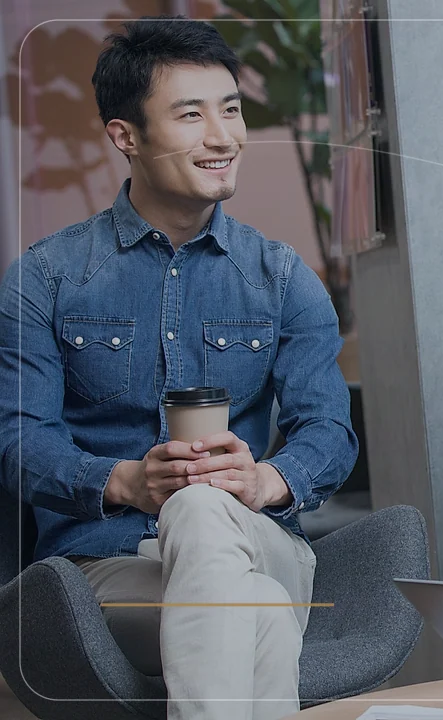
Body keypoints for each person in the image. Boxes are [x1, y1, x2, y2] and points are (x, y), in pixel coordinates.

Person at [0, 17, 358, 720]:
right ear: (124, 135)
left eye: (231, 109)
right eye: (190, 114)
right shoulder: (44, 279)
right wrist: (122, 480)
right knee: (251, 607)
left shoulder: (282, 278)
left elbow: (331, 435)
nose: (223, 136)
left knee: (203, 508)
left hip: (261, 544)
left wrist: (263, 478)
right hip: (106, 565)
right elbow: (17, 441)